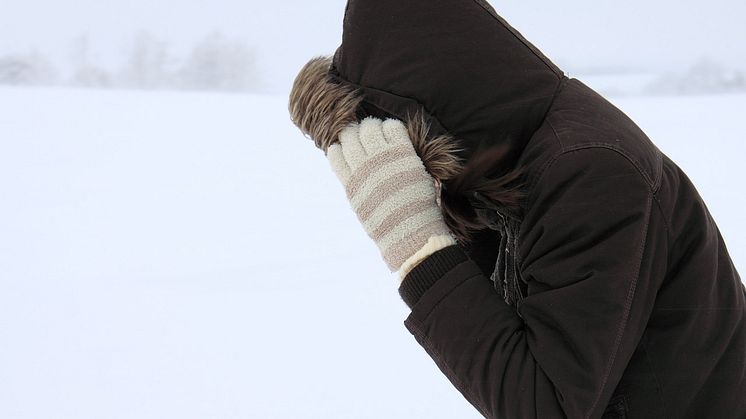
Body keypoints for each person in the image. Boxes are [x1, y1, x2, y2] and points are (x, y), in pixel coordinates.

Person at [288, 1, 746, 418]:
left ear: (425, 119)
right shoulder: (520, 162)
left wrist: (420, 252)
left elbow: (543, 405)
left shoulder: (589, 172)